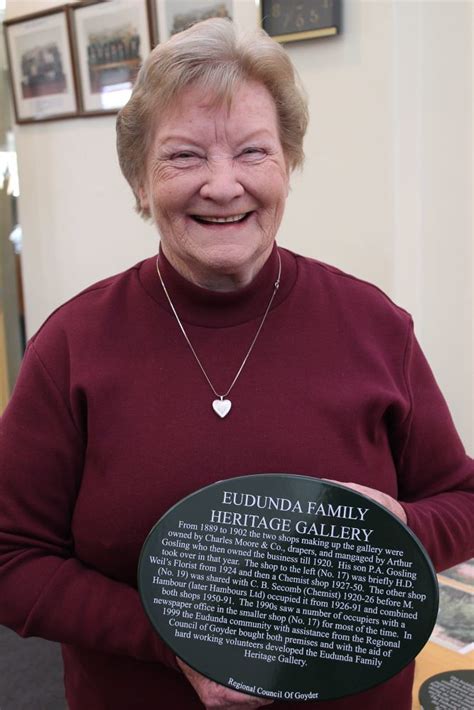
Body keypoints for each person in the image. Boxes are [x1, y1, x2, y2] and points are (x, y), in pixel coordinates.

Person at [0, 18, 472, 710]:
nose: (223, 187)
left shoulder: (374, 326)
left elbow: (462, 500)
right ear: (140, 182)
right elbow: (11, 558)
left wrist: (402, 524)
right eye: (184, 156)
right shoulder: (73, 345)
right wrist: (173, 639)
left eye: (253, 152)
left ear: (288, 167)